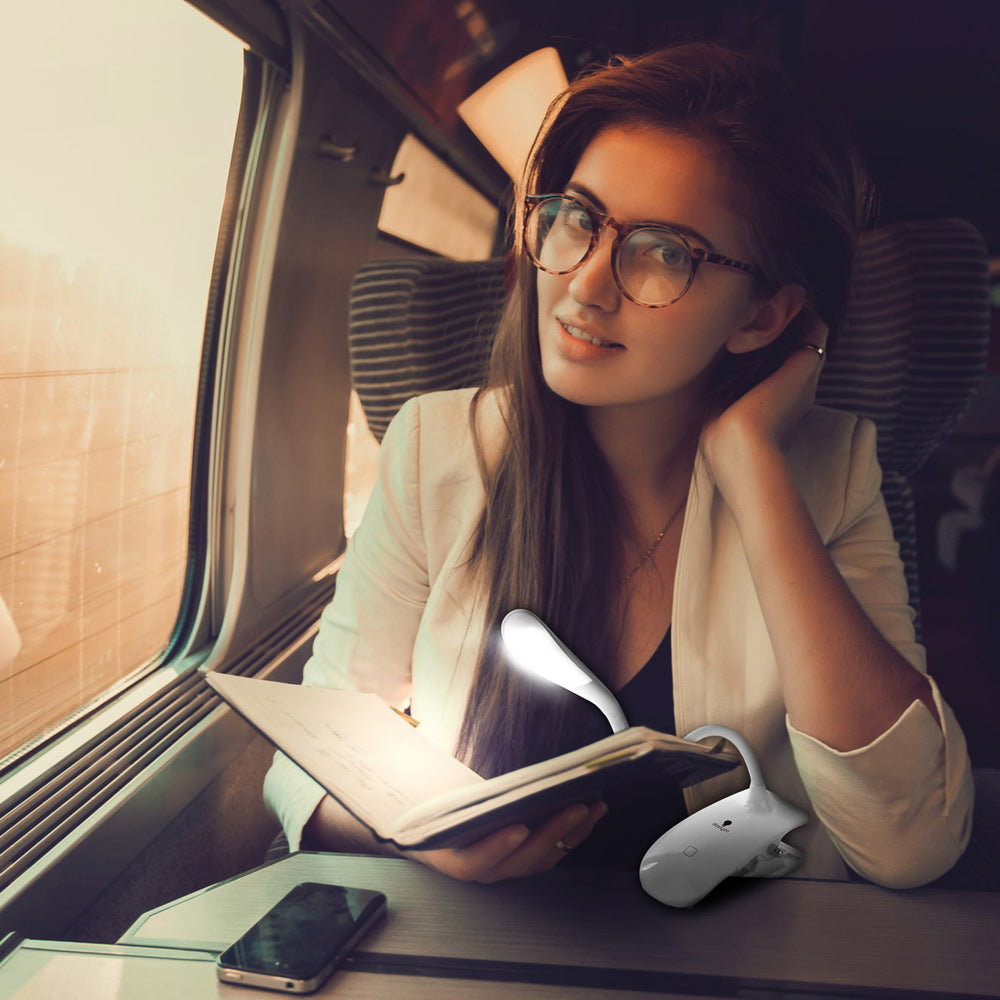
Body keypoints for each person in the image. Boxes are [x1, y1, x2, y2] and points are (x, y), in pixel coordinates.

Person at [264, 42, 973, 887]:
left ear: (762, 317)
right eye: (576, 219)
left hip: (739, 952)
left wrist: (751, 465)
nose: (584, 286)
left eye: (664, 252)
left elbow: (910, 845)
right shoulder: (433, 449)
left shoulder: (833, 472)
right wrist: (411, 833)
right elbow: (311, 757)